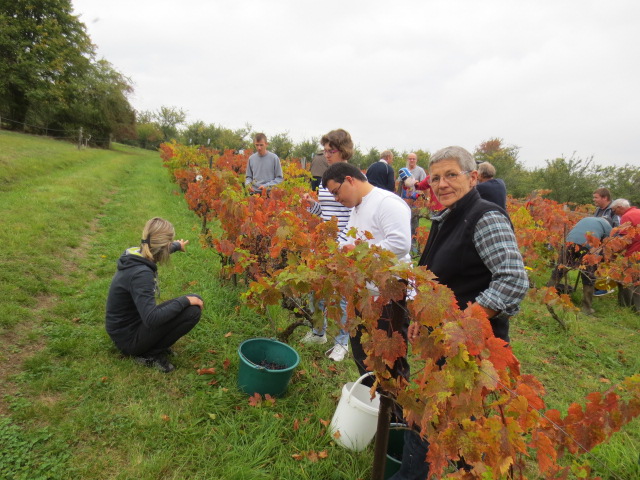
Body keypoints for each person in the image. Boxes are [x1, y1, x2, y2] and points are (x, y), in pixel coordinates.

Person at [390, 146, 529, 480]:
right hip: (446, 344)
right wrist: (421, 317)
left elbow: (513, 279)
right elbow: (439, 277)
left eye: (451, 175)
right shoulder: (448, 216)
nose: (441, 184)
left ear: (473, 177)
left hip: (472, 349)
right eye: (435, 177)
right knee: (444, 419)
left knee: (450, 422)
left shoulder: (485, 216)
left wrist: (465, 322)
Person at [321, 162, 412, 387]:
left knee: (390, 361)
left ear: (350, 180)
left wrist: (361, 253)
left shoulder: (387, 203)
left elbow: (400, 243)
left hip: (388, 295)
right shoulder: (358, 208)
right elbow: (348, 241)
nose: (336, 199)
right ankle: (370, 400)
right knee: (363, 354)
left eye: (336, 192)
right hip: (363, 294)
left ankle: (394, 416)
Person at [105, 217, 204, 373]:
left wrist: (177, 246)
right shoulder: (141, 275)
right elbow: (151, 319)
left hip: (126, 328)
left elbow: (158, 251)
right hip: (128, 339)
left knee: (194, 300)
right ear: (162, 246)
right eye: (169, 243)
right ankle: (149, 353)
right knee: (192, 311)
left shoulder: (136, 253)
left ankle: (151, 345)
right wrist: (184, 300)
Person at [300, 129, 354, 361]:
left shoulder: (352, 179)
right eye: (325, 150)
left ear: (343, 151)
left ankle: (342, 343)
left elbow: (355, 215)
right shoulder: (325, 181)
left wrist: (342, 243)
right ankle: (318, 332)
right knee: (317, 290)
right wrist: (312, 205)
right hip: (323, 244)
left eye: (331, 150)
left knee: (342, 296)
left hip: (343, 247)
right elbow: (326, 213)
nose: (327, 154)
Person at [547, 216, 612, 314]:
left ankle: (546, 297)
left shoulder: (587, 218)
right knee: (589, 276)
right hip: (587, 246)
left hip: (569, 242)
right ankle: (586, 308)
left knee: (559, 270)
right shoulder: (608, 226)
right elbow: (605, 245)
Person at [610, 198, 640, 312]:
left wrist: (614, 254)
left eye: (614, 210)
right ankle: (637, 309)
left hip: (635, 253)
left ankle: (625, 306)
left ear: (620, 207)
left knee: (626, 279)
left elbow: (624, 240)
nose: (614, 213)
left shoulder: (626, 216)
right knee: (638, 281)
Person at [397, 153, 427, 256]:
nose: (412, 160)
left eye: (413, 159)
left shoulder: (420, 171)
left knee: (414, 224)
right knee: (404, 223)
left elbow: (423, 186)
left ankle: (414, 248)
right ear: (407, 160)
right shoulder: (403, 171)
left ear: (416, 160)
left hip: (415, 202)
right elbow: (399, 185)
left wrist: (420, 197)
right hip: (404, 201)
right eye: (410, 159)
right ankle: (405, 246)